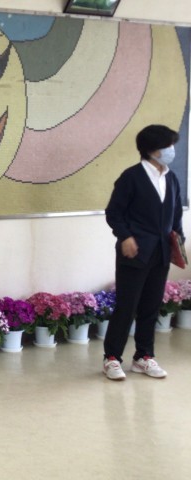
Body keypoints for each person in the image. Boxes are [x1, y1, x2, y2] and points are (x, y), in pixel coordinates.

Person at [103, 124, 183, 381]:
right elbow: (114, 213)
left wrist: (178, 241)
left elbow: (176, 216)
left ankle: (144, 356)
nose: (172, 150)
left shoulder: (171, 178)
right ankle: (112, 358)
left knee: (151, 306)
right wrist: (125, 236)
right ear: (152, 149)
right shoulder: (131, 177)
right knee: (126, 307)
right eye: (168, 145)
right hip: (134, 253)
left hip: (161, 253)